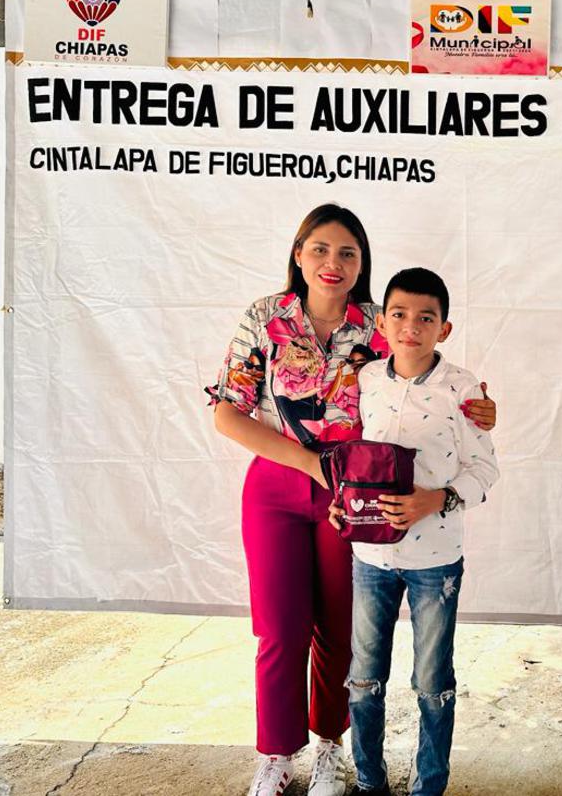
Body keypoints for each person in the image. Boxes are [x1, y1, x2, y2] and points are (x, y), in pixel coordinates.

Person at [205, 206, 497, 796]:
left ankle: (331, 748)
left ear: (363, 264)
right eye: (319, 249)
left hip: (356, 492)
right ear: (298, 254)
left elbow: (423, 378)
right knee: (280, 628)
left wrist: (478, 408)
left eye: (347, 253)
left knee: (341, 629)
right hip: (278, 486)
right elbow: (227, 413)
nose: (332, 263)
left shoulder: (376, 325)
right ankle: (276, 755)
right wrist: (311, 464)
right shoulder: (265, 317)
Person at [328, 268, 499, 796]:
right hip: (370, 558)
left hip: (435, 562)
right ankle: (368, 781)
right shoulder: (366, 381)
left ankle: (429, 786)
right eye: (399, 315)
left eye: (426, 318)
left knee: (431, 681)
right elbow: (354, 457)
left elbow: (484, 470)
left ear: (443, 329)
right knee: (363, 678)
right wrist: (341, 502)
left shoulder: (462, 388)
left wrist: (436, 500)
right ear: (382, 322)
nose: (411, 327)